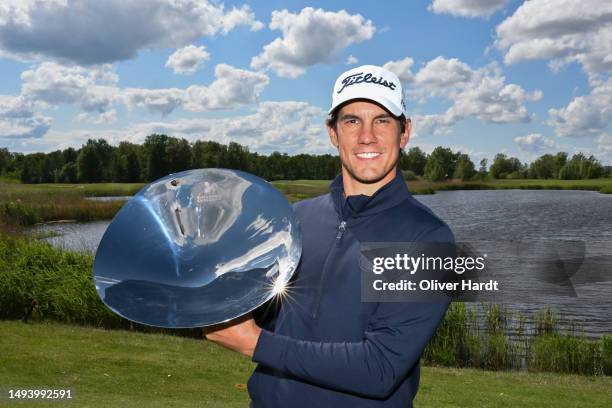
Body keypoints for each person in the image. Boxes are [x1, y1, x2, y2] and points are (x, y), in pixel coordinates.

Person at [205, 65, 454, 407]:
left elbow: (380, 368)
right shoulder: (296, 218)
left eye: (382, 120)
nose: (367, 136)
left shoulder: (429, 238)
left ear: (405, 131)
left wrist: (254, 343)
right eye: (352, 121)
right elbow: (264, 312)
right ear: (333, 133)